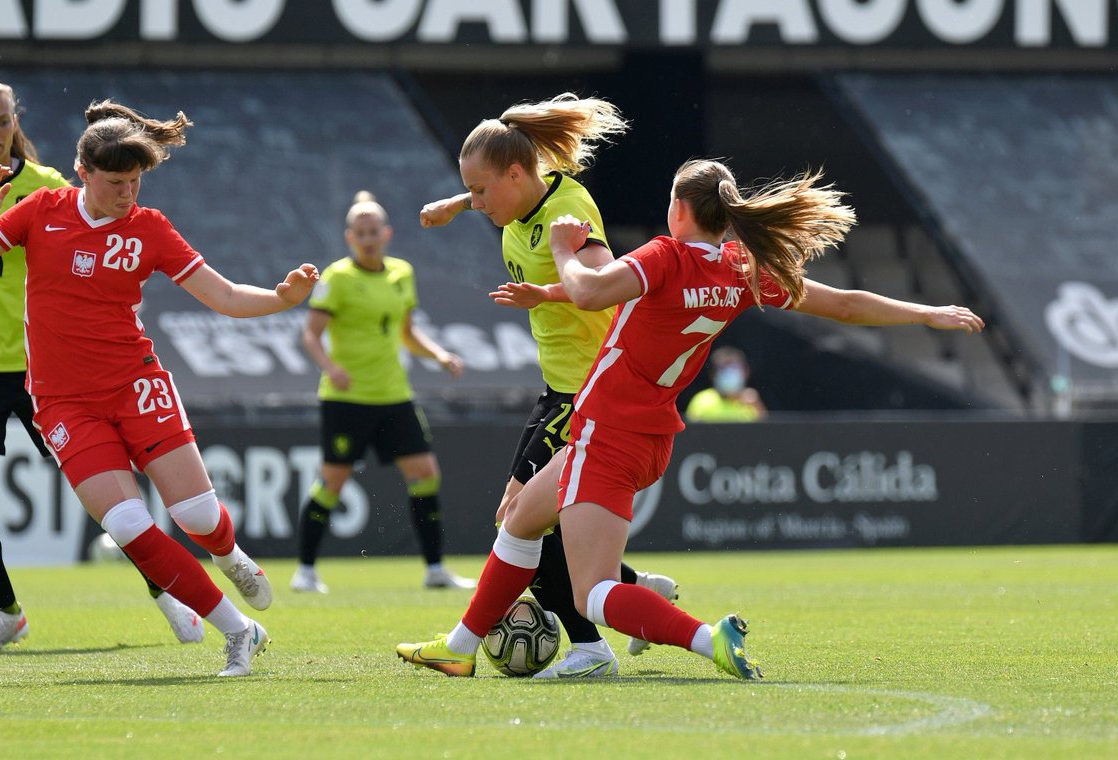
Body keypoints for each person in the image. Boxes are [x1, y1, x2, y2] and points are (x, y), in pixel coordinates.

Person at [398, 158, 984, 678]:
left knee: (592, 594)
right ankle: (459, 648)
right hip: (646, 433)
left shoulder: (667, 255)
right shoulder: (738, 269)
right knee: (521, 519)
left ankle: (708, 639)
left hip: (609, 432)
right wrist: (926, 313)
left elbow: (594, 291)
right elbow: (846, 306)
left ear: (678, 208)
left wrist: (562, 249)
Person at [0, 99, 321, 677]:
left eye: (136, 182)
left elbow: (223, 296)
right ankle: (239, 631)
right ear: (82, 172)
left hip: (136, 384)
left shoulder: (149, 228)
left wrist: (281, 298)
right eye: (116, 183)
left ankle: (230, 554)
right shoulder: (39, 210)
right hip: (64, 403)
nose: (127, 194)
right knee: (126, 526)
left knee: (196, 514)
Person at [0, 77, 203, 652]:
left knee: (109, 498)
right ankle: (6, 612)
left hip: (49, 371)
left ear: (15, 123)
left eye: (3, 121)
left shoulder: (51, 188)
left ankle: (167, 592)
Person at [416, 93, 679, 678]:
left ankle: (591, 647)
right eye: (470, 190)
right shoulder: (517, 199)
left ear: (515, 173)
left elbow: (601, 278)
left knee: (519, 520)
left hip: (589, 391)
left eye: (481, 190)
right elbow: (497, 194)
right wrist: (454, 206)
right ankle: (632, 594)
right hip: (557, 387)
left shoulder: (569, 211)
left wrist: (547, 292)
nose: (479, 201)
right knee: (522, 521)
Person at [290, 191, 473, 593]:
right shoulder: (336, 277)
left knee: (426, 475)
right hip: (346, 399)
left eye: (374, 231)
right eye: (361, 233)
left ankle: (435, 570)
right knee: (332, 482)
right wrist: (331, 368)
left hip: (394, 395)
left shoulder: (402, 273)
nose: (368, 239)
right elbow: (311, 335)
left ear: (386, 234)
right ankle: (305, 571)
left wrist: (440, 355)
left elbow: (407, 332)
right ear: (349, 238)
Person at [684, 346, 765, 422]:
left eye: (735, 367)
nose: (730, 373)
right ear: (713, 374)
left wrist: (758, 407)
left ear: (746, 372)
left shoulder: (752, 402)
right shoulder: (702, 401)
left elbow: (764, 430)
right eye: (724, 368)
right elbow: (692, 430)